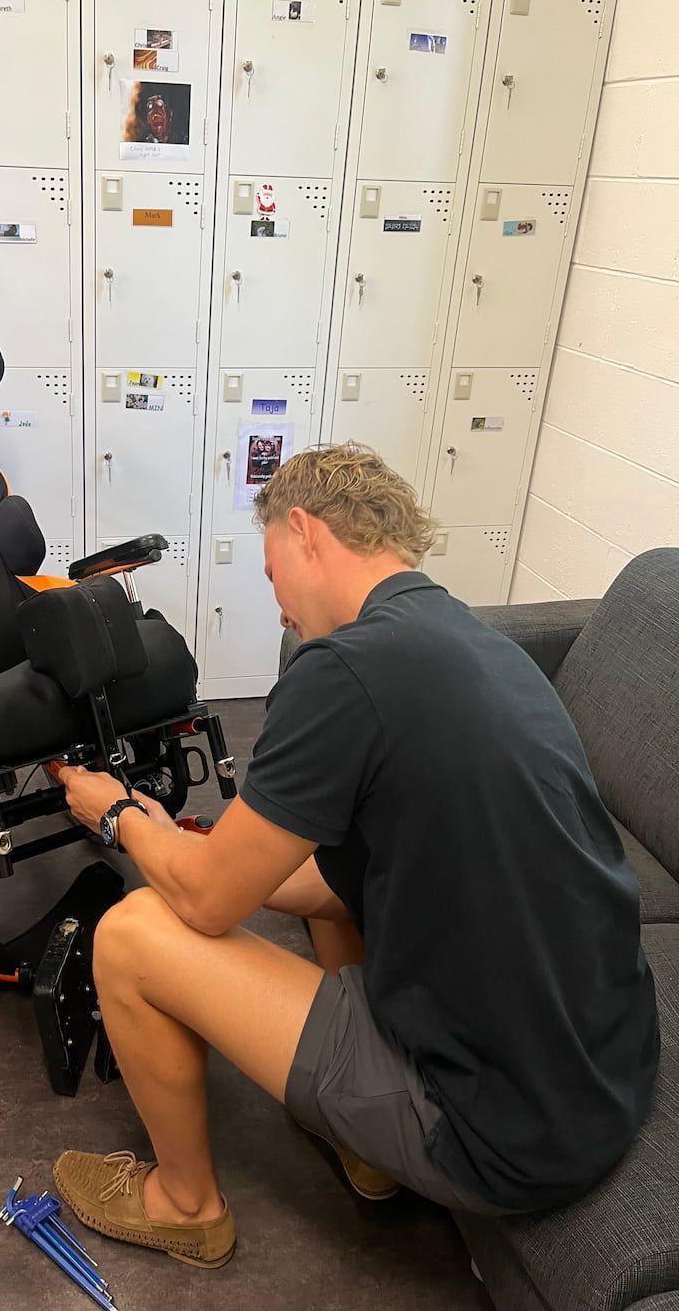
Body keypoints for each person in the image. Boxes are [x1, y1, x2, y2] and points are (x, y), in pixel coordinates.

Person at [52, 442, 660, 1270]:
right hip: (602, 1071)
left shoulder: (341, 671)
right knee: (336, 860)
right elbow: (318, 876)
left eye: (272, 575)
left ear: (305, 530)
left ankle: (184, 1205)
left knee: (132, 935)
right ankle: (365, 1150)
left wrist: (121, 816)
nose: (280, 611)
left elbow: (203, 904)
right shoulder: (473, 642)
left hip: (498, 1134)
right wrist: (211, 853)